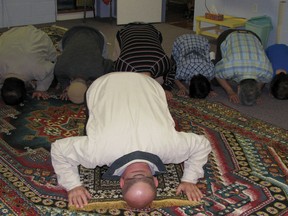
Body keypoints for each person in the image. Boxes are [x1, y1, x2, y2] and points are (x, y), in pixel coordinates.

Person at [51, 72, 211, 209]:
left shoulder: (171, 148)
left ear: (155, 181)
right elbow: (58, 149)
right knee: (92, 127)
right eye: (144, 178)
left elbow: (202, 144)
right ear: (121, 182)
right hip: (103, 83)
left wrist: (190, 179)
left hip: (148, 83)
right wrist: (73, 185)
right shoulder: (96, 152)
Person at [113, 23, 176, 100]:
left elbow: (173, 66)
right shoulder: (124, 65)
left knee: (161, 82)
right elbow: (112, 69)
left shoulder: (161, 62)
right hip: (123, 32)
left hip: (152, 31)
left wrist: (166, 88)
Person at [54, 25, 114, 104]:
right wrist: (65, 87)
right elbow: (61, 76)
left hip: (97, 35)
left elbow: (110, 63)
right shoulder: (60, 68)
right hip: (71, 33)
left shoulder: (98, 71)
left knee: (103, 57)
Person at [0, 25, 57, 105]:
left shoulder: (37, 70)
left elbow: (51, 67)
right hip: (11, 33)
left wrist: (41, 89)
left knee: (55, 67)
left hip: (36, 35)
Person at [214, 29, 273, 106]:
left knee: (223, 76)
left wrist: (256, 94)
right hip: (228, 35)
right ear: (238, 88)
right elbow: (217, 74)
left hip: (254, 35)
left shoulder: (267, 72)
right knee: (215, 81)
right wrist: (230, 92)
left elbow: (263, 81)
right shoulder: (229, 68)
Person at [171, 34, 215, 99]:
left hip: (202, 40)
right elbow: (173, 76)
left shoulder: (210, 71)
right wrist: (182, 87)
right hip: (181, 41)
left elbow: (209, 80)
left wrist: (210, 89)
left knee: (209, 56)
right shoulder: (183, 69)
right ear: (190, 85)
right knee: (172, 65)